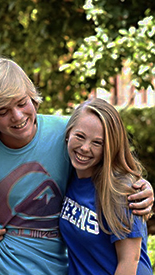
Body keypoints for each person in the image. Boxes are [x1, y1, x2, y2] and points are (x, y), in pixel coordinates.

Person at [0, 57, 154, 275]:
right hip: (6, 267)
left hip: (65, 267)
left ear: (32, 97)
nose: (17, 116)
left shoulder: (68, 133)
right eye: (2, 111)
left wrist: (140, 187)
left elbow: (110, 161)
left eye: (21, 103)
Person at [59, 98, 152, 274]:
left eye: (97, 143)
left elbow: (129, 261)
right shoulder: (67, 174)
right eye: (80, 136)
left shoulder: (121, 190)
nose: (85, 148)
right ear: (68, 133)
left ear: (110, 147)